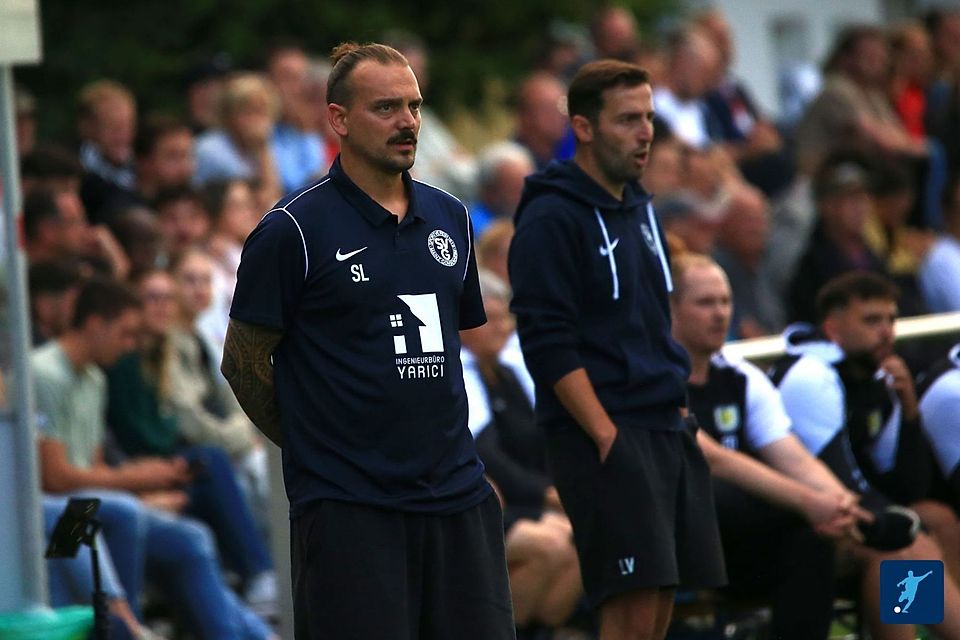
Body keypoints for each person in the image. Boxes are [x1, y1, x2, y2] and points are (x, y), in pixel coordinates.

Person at [222, 42, 514, 640]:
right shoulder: (292, 230)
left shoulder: (452, 217)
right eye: (386, 108)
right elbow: (243, 362)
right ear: (339, 119)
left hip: (456, 498)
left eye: (413, 106)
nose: (408, 121)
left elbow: (447, 354)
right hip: (352, 511)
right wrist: (317, 441)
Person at [508, 59, 726, 640]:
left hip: (662, 425)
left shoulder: (641, 206)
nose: (646, 132)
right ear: (583, 127)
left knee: (657, 607)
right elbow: (546, 341)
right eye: (628, 119)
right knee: (627, 611)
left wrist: (677, 412)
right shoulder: (550, 217)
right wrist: (605, 434)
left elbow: (655, 318)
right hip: (605, 433)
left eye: (650, 117)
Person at [771, 271, 960, 640]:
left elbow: (909, 485)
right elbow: (835, 478)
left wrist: (908, 412)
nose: (886, 331)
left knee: (936, 516)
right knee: (899, 548)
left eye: (891, 319)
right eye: (871, 320)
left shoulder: (874, 379)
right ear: (833, 327)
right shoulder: (811, 376)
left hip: (846, 513)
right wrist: (894, 521)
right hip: (798, 525)